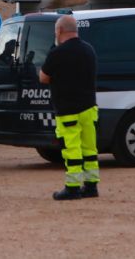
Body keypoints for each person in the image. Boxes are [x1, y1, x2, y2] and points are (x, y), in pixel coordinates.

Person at [39, 15, 100, 200]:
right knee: (90, 149)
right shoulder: (89, 50)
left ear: (59, 31)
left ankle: (72, 187)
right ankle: (91, 186)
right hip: (89, 107)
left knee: (71, 149)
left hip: (68, 110)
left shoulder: (57, 53)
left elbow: (43, 77)